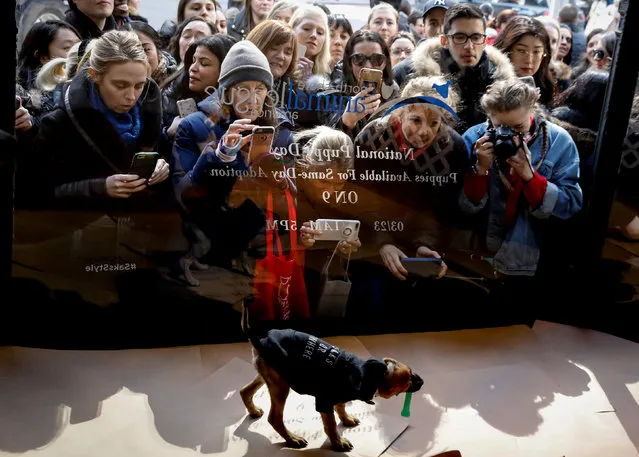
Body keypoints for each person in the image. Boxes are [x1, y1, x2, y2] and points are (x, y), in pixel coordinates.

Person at [171, 40, 295, 285]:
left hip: (255, 255)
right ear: (227, 92)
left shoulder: (280, 131)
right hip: (204, 251)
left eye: (259, 89)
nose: (252, 98)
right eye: (243, 89)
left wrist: (279, 180)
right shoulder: (194, 126)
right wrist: (221, 155)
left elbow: (288, 205)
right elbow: (182, 193)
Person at [459, 78, 583, 278]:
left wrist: (530, 177)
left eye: (518, 128)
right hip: (477, 252)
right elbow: (461, 207)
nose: (508, 135)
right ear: (488, 116)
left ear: (532, 110)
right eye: (499, 127)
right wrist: (480, 168)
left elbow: (570, 206)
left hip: (531, 257)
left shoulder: (559, 141)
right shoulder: (474, 138)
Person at [393, 2, 516, 133]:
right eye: (460, 37)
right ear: (444, 40)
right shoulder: (407, 73)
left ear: (485, 41)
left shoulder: (500, 80)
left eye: (476, 37)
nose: (469, 46)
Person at [325, 30, 399, 138]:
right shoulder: (335, 90)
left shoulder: (393, 91)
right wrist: (347, 121)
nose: (368, 66)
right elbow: (327, 144)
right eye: (359, 59)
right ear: (350, 63)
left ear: (385, 62)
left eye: (377, 59)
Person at [493, 16, 555, 107]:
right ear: (507, 50)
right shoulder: (490, 84)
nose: (529, 60)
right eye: (521, 51)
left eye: (536, 52)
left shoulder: (546, 87)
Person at [17, 20, 81, 91]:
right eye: (67, 47)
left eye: (79, 45)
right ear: (44, 57)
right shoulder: (27, 99)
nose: (79, 50)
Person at [129, 21, 178, 87]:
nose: (139, 57)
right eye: (129, 51)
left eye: (146, 50)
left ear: (158, 51)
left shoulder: (177, 84)